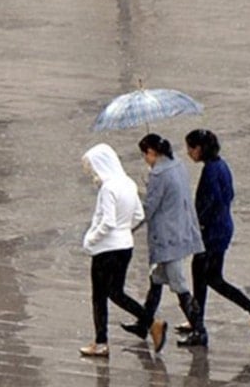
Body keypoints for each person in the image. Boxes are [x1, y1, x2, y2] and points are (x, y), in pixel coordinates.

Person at [178, 129, 250, 347]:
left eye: (190, 148)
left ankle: (199, 327)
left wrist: (195, 222)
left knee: (201, 277)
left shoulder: (210, 171)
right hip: (223, 228)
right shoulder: (221, 166)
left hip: (210, 232)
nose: (188, 153)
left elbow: (208, 202)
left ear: (198, 148)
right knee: (212, 277)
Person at [119, 134, 205, 353]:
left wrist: (127, 228)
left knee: (179, 285)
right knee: (156, 279)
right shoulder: (177, 165)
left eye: (144, 155)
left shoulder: (159, 174)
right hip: (180, 229)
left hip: (167, 238)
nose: (145, 159)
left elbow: (149, 208)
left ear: (151, 152)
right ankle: (144, 323)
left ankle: (199, 330)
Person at [79, 143, 145, 357]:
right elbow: (139, 216)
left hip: (106, 249)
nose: (93, 176)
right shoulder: (128, 183)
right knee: (116, 291)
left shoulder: (108, 189)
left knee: (99, 296)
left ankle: (101, 341)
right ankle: (150, 320)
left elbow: (107, 223)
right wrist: (125, 231)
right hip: (125, 246)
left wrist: (90, 239)